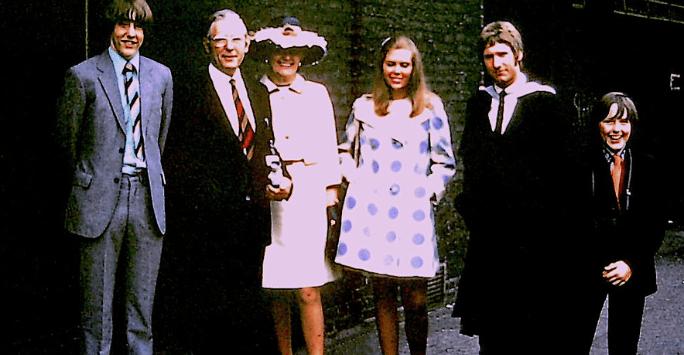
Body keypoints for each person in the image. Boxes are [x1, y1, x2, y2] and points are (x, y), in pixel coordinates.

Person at [161, 8, 291, 355]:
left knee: (247, 314)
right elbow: (177, 158)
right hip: (208, 228)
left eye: (236, 39)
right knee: (210, 320)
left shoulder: (257, 91)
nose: (229, 47)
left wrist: (282, 180)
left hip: (251, 224)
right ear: (209, 46)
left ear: (248, 44)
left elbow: (265, 148)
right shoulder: (188, 90)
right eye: (221, 40)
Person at [55, 0, 172, 353]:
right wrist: (96, 177)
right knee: (97, 308)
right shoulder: (84, 75)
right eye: (124, 25)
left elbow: (158, 137)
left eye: (138, 27)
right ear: (111, 28)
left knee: (142, 308)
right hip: (99, 200)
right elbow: (68, 142)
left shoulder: (161, 76)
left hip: (147, 199)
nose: (131, 34)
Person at [451, 21, 575, 354]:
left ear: (518, 55)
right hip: (491, 240)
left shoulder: (544, 103)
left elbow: (562, 172)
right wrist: (474, 213)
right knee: (491, 331)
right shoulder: (480, 104)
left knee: (531, 329)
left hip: (533, 239)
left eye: (503, 54)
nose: (497, 63)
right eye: (489, 56)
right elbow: (471, 162)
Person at [335, 35, 456, 355]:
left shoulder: (430, 106)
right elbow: (345, 151)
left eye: (405, 64)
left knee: (415, 297)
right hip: (373, 211)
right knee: (383, 292)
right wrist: (356, 179)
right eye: (392, 64)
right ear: (382, 66)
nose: (397, 71)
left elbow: (445, 163)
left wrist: (427, 191)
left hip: (412, 212)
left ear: (414, 67)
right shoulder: (364, 106)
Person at [252, 17, 340, 355]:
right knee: (277, 287)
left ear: (303, 55)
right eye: (279, 50)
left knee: (307, 288)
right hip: (271, 197)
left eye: (294, 51)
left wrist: (330, 193)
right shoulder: (255, 91)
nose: (286, 57)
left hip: (308, 197)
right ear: (268, 53)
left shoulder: (317, 94)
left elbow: (329, 145)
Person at [572, 92, 667, 354]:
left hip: (631, 271)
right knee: (574, 342)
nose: (617, 130)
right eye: (609, 121)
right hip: (586, 270)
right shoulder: (579, 164)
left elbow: (654, 222)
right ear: (597, 124)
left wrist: (630, 263)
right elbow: (569, 221)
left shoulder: (648, 166)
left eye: (624, 122)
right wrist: (591, 263)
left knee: (624, 346)